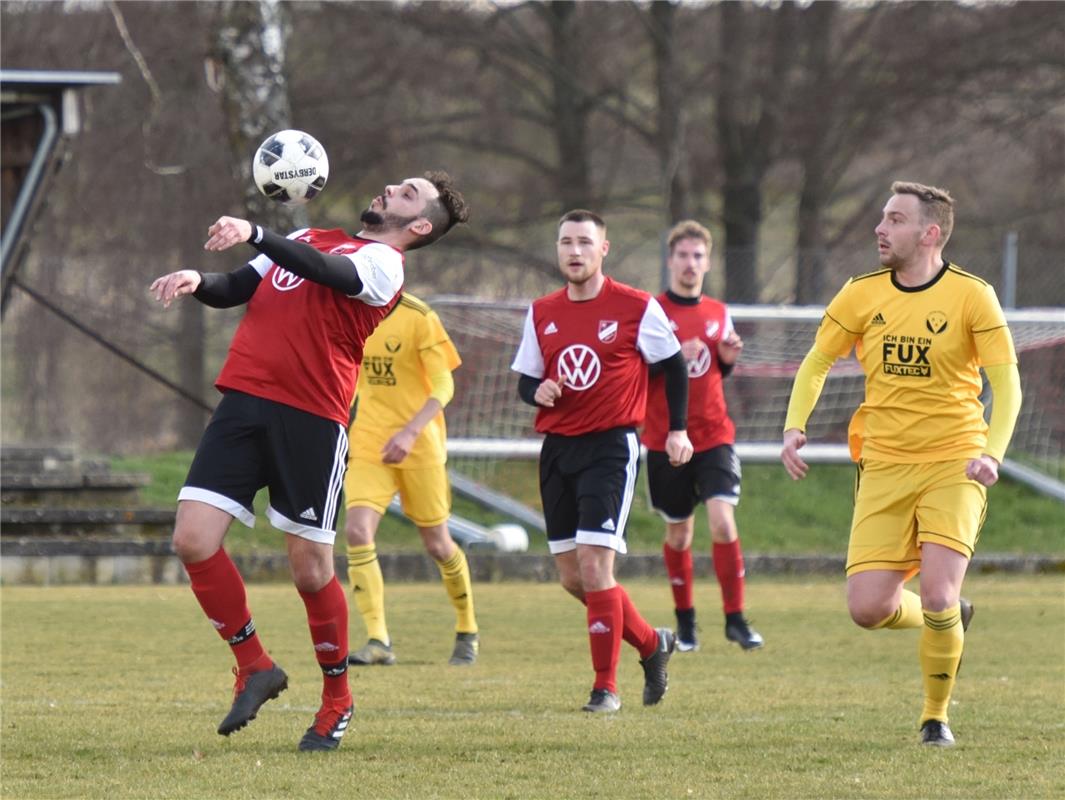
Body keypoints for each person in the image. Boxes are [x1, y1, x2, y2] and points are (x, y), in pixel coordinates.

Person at [149, 171, 469, 752]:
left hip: (312, 421)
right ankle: (255, 666)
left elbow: (332, 276)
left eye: (406, 194)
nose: (390, 190)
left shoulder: (383, 267)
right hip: (244, 401)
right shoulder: (310, 238)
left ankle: (337, 700)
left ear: (419, 226)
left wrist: (257, 231)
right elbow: (236, 288)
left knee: (311, 572)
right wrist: (198, 280)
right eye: (396, 184)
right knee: (193, 540)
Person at [780, 181, 1021, 747]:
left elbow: (1007, 385)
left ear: (929, 233)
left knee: (936, 592)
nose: (879, 229)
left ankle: (934, 717)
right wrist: (795, 426)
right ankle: (951, 618)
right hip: (885, 464)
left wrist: (992, 453)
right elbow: (817, 361)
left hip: (955, 463)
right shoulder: (861, 293)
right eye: (882, 218)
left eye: (894, 219)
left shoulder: (972, 296)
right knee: (868, 608)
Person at [511, 209, 694, 713]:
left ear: (603, 249)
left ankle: (604, 688)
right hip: (557, 450)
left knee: (596, 566)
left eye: (584, 243)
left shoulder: (636, 306)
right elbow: (526, 378)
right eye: (566, 242)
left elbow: (674, 365)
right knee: (575, 578)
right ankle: (652, 644)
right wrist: (538, 390)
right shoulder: (542, 310)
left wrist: (677, 429)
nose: (574, 251)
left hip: (611, 447)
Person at [642, 220, 763, 653]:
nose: (690, 264)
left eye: (698, 256)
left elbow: (716, 372)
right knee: (679, 535)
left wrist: (727, 360)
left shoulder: (717, 311)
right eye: (682, 255)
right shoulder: (652, 312)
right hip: (665, 438)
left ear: (707, 263)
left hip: (714, 435)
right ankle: (687, 623)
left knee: (723, 521)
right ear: (670, 261)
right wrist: (672, 358)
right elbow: (639, 374)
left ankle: (735, 619)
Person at [343, 292, 479, 667]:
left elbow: (443, 386)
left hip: (419, 445)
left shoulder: (420, 317)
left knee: (437, 543)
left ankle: (467, 629)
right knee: (357, 531)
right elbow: (349, 376)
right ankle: (378, 640)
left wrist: (410, 432)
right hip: (370, 441)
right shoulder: (351, 311)